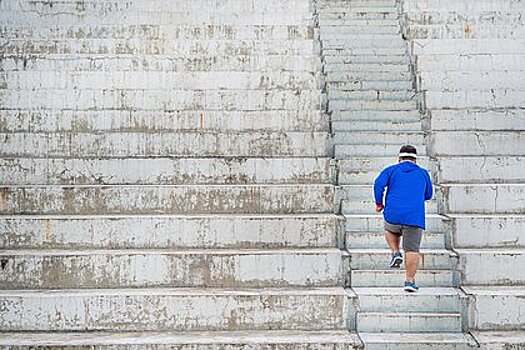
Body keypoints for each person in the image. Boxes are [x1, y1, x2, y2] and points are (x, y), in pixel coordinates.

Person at [373, 145, 433, 292]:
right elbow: (429, 195)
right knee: (412, 249)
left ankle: (395, 252)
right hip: (414, 216)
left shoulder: (391, 170)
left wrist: (379, 203)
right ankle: (410, 281)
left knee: (390, 228)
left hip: (393, 213)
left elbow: (378, 184)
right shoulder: (423, 173)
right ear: (415, 160)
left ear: (399, 159)